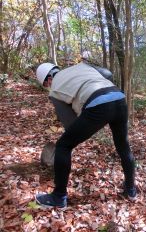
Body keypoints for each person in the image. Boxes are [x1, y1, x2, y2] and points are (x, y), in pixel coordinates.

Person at [34, 60, 136, 208]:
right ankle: (130, 189)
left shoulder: (54, 89)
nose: (48, 87)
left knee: (63, 145)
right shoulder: (81, 66)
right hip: (119, 98)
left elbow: (70, 123)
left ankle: (58, 197)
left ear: (49, 79)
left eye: (46, 85)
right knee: (123, 147)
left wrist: (88, 121)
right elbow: (108, 73)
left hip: (98, 105)